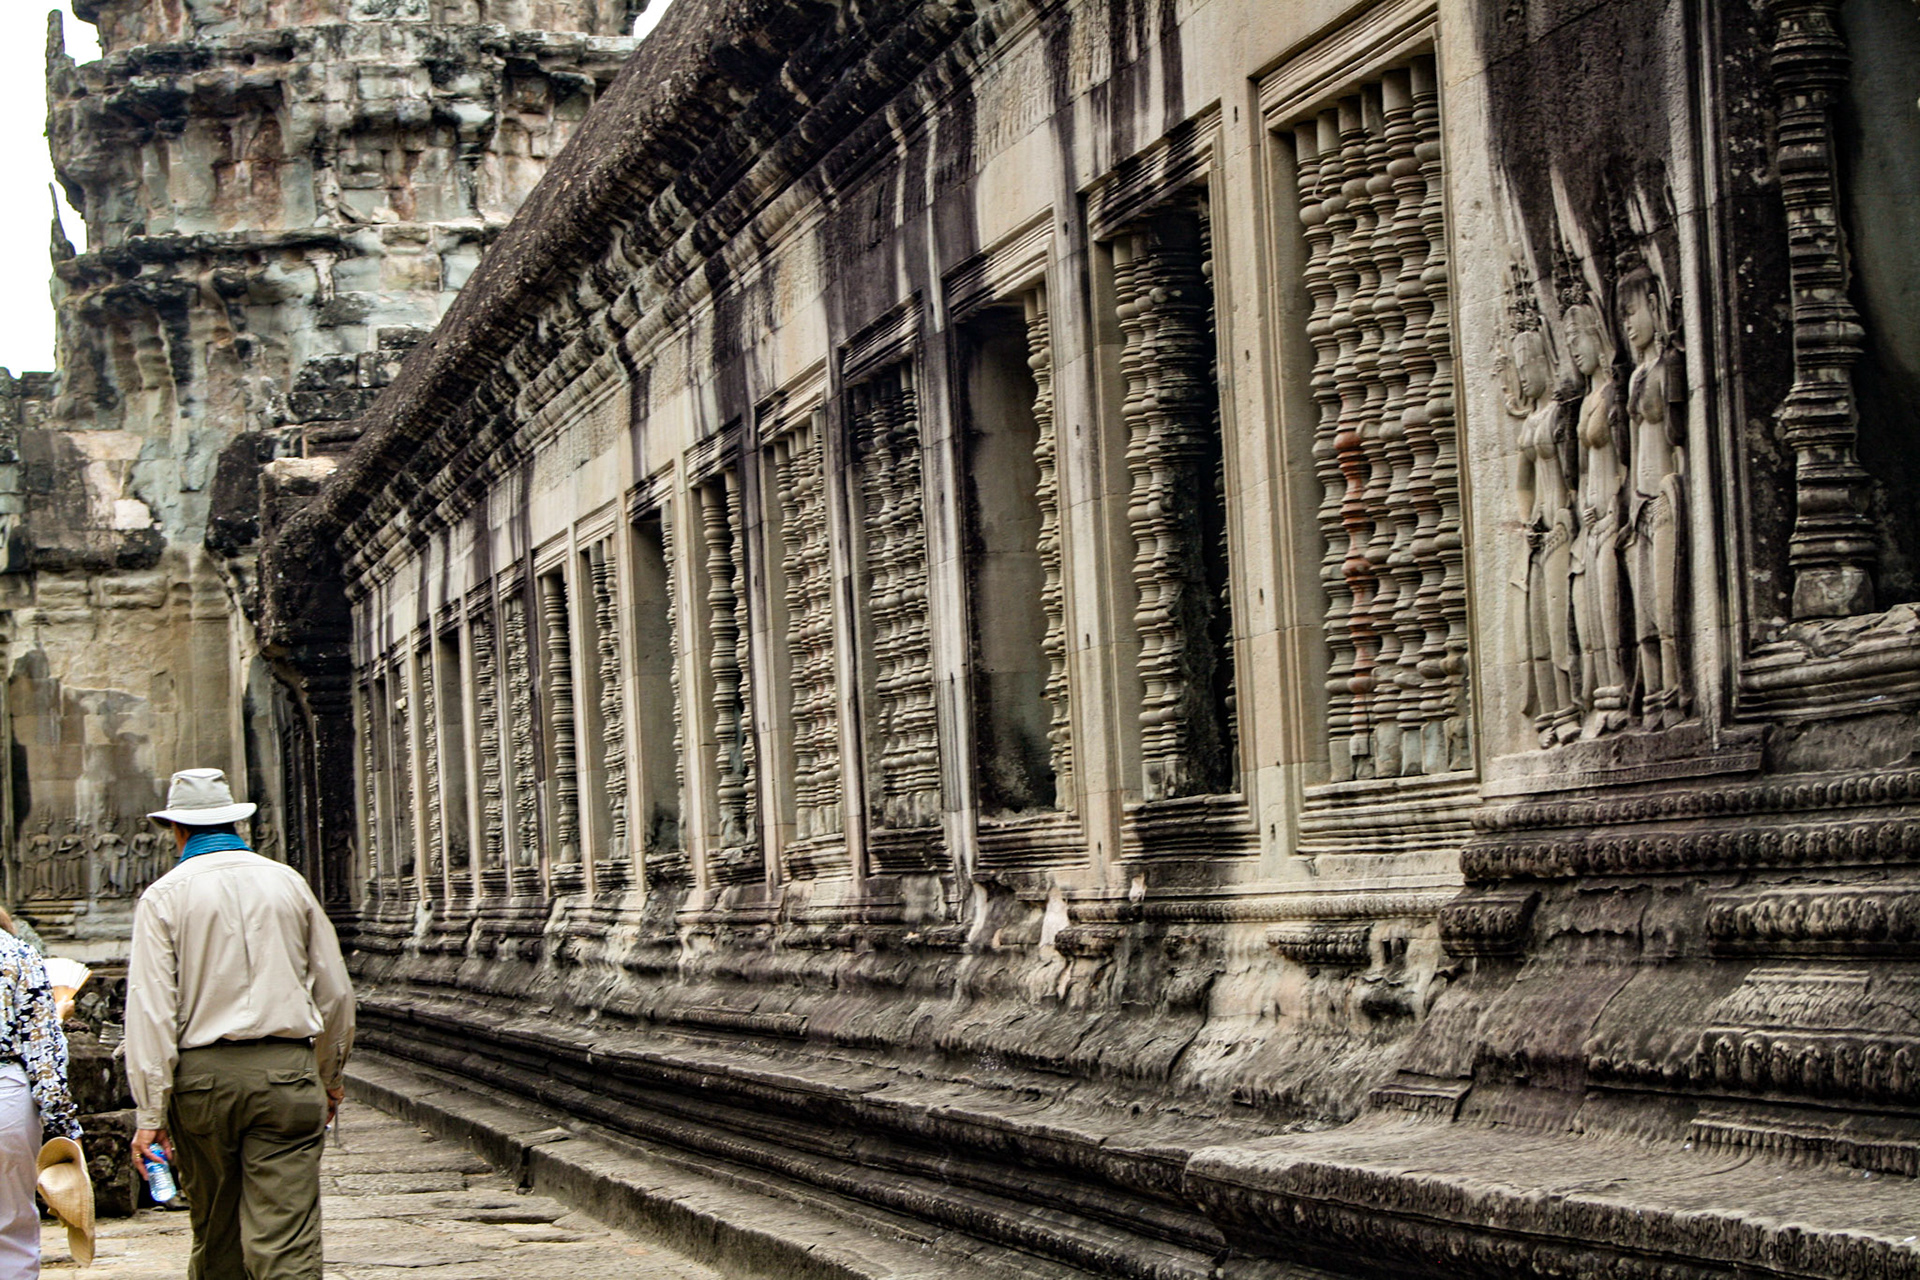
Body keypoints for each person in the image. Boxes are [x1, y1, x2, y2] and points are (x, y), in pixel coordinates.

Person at [124, 768, 355, 1280]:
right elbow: (336, 992)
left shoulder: (164, 896)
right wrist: (329, 1076)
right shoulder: (287, 883)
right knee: (287, 1240)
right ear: (235, 822)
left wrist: (149, 1113)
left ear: (177, 831)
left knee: (218, 1230)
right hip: (287, 1072)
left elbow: (151, 1011)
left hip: (202, 1082)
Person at [0, 905, 81, 1279]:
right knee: (11, 1228)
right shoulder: (17, 953)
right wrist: (65, 1129)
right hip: (5, 1095)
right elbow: (44, 1053)